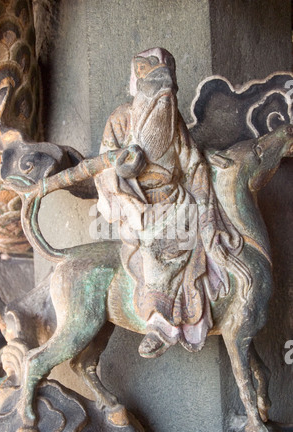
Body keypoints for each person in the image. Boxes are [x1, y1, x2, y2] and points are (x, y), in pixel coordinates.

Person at [95, 47, 249, 358]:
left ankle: (226, 300)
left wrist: (204, 198)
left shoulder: (173, 119)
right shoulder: (120, 120)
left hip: (177, 200)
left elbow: (191, 162)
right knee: (156, 246)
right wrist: (122, 170)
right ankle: (160, 323)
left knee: (209, 234)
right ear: (137, 86)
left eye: (167, 87)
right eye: (154, 85)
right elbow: (101, 167)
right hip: (140, 206)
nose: (163, 94)